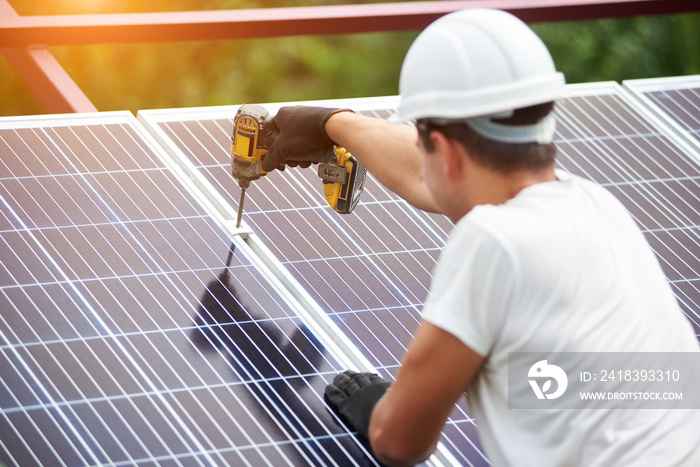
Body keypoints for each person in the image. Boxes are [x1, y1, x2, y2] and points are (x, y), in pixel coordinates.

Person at [260, 8, 700, 467]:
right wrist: (333, 122)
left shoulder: (492, 242)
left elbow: (399, 442)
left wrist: (373, 405)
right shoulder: (594, 207)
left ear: (446, 153)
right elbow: (433, 172)